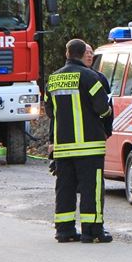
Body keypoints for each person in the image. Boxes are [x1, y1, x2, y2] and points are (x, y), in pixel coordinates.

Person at [44, 39, 113, 244]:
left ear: (67, 54)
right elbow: (102, 107)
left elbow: (49, 110)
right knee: (91, 189)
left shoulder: (54, 78)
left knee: (65, 187)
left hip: (64, 146)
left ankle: (64, 230)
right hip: (89, 145)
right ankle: (92, 232)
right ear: (83, 53)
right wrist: (107, 114)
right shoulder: (91, 77)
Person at [81, 42, 113, 138]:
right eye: (86, 53)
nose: (89, 56)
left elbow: (108, 103)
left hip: (96, 129)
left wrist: (107, 130)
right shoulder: (73, 76)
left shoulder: (100, 77)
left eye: (91, 53)